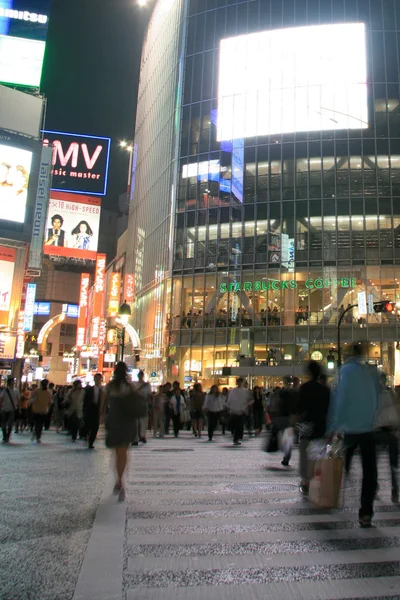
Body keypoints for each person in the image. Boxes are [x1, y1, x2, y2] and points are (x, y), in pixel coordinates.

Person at [328, 344, 380, 527]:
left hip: (349, 429)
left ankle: (334, 492)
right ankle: (366, 511)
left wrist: (333, 425)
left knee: (342, 463)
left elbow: (340, 399)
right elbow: (376, 398)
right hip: (367, 428)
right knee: (370, 471)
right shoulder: (369, 372)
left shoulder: (345, 371)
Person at [105, 362, 138, 502]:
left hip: (113, 420)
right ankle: (120, 480)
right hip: (127, 421)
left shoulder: (110, 386)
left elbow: (103, 404)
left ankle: (119, 480)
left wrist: (102, 418)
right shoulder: (130, 387)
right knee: (123, 452)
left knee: (117, 452)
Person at [296, 361, 330, 495]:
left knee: (305, 453)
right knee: (318, 454)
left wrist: (294, 424)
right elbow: (328, 410)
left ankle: (306, 481)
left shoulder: (304, 388)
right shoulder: (325, 390)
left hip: (307, 425)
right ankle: (319, 478)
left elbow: (299, 408)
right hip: (321, 425)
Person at [374, 372, 399, 503]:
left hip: (379, 430)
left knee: (375, 462)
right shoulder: (390, 393)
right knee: (392, 464)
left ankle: (376, 486)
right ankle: (395, 489)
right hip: (391, 430)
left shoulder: (374, 394)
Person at [83, 373, 106, 449]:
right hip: (90, 409)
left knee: (95, 426)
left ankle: (91, 441)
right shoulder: (89, 389)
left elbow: (105, 401)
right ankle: (87, 435)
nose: (97, 380)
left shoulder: (103, 390)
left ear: (101, 379)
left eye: (99, 378)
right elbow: (85, 400)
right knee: (88, 424)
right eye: (96, 378)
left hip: (98, 410)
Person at [226, 378, 250, 446]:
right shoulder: (233, 391)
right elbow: (230, 400)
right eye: (238, 382)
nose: (239, 383)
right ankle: (235, 437)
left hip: (241, 410)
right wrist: (229, 407)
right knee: (236, 425)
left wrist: (245, 409)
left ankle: (236, 437)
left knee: (239, 425)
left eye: (240, 382)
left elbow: (246, 400)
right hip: (234, 410)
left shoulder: (245, 391)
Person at [0, 377, 20, 443]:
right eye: (12, 382)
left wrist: (19, 408)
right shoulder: (5, 391)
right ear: (9, 383)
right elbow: (1, 399)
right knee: (3, 423)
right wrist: (1, 406)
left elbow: (18, 400)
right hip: (4, 409)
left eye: (13, 382)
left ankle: (7, 436)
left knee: (10, 424)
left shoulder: (16, 391)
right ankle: (4, 435)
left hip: (12, 409)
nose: (13, 383)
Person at [134, 370, 151, 443]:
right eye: (139, 375)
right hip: (136, 403)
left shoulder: (147, 385)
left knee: (143, 421)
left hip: (144, 404)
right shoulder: (134, 384)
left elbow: (149, 395)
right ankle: (135, 438)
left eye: (141, 375)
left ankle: (142, 435)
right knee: (135, 421)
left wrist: (150, 404)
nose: (140, 377)